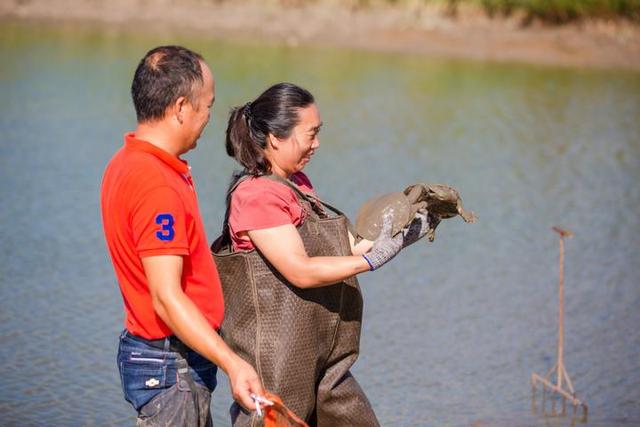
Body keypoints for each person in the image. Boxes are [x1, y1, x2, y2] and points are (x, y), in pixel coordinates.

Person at [211, 82, 429, 426]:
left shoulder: (298, 184)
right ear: (275, 138)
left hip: (327, 356)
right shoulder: (255, 197)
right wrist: (371, 261)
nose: (317, 144)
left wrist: (400, 233)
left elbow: (349, 248)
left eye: (318, 133)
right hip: (278, 362)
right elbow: (299, 269)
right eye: (310, 134)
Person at [101, 45, 263, 426]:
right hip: (170, 366)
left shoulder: (125, 161)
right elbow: (166, 297)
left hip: (163, 358)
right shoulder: (156, 185)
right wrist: (233, 363)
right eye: (207, 105)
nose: (208, 117)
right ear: (180, 108)